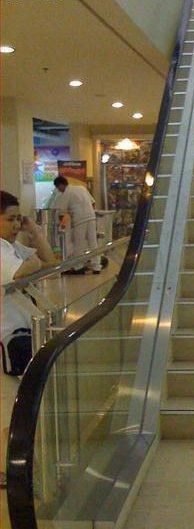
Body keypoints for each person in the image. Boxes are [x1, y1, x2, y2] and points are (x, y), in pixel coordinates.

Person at [0, 190, 57, 487]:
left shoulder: (9, 247)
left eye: (18, 219)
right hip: (5, 338)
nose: (15, 225)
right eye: (10, 219)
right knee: (9, 405)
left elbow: (49, 260)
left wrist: (34, 231)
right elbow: (23, 271)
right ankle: (9, 470)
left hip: (17, 333)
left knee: (15, 403)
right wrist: (32, 262)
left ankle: (14, 468)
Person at [52, 176, 101, 274]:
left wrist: (59, 224)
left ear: (61, 185)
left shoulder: (66, 193)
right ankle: (96, 267)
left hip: (80, 220)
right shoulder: (81, 188)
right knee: (93, 242)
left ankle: (79, 267)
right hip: (91, 217)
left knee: (79, 244)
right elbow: (93, 203)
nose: (58, 190)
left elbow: (61, 212)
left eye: (58, 187)